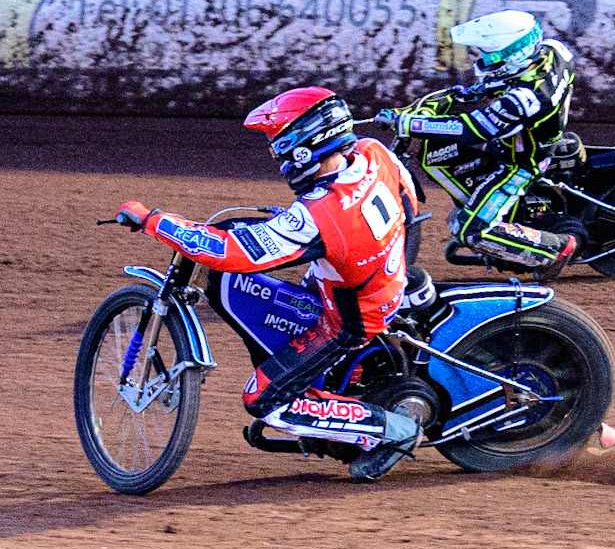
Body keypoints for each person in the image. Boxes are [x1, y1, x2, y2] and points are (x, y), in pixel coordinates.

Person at [115, 87, 428, 480]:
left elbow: (231, 253)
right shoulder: (371, 152)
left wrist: (151, 219)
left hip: (350, 319)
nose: (276, 154)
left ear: (305, 144)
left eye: (280, 143)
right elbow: (411, 196)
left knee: (263, 399)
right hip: (383, 270)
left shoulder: (321, 216)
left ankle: (394, 432)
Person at [376, 10, 580, 273]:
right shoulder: (554, 51)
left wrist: (410, 124)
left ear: (516, 54)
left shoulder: (526, 99)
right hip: (532, 137)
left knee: (470, 230)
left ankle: (555, 248)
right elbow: (484, 91)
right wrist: (437, 105)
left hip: (521, 163)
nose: (485, 60)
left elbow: (471, 129)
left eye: (493, 56)